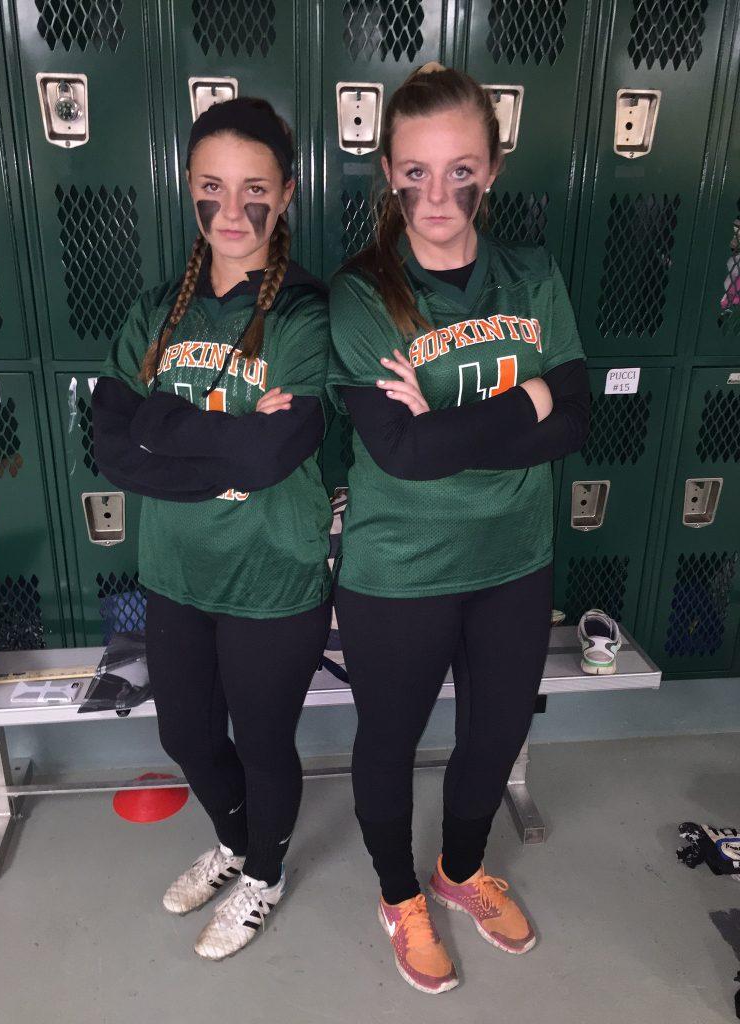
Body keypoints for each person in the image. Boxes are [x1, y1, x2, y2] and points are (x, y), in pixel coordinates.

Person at [327, 62, 590, 994]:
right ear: (389, 172)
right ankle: (401, 893)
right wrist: (531, 401)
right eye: (416, 172)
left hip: (515, 557)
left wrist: (453, 426)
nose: (438, 195)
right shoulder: (361, 295)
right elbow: (401, 453)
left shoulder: (532, 272)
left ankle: (461, 868)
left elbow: (583, 413)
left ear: (493, 169)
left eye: (462, 170)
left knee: (495, 732)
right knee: (388, 739)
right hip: (399, 568)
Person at [92, 97, 332, 961]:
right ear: (188, 191)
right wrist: (222, 443)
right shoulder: (158, 310)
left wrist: (165, 422)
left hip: (275, 572)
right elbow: (108, 446)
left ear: (288, 194)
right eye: (211, 188)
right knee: (186, 734)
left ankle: (263, 871)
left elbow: (276, 454)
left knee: (262, 739)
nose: (232, 212)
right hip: (176, 572)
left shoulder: (308, 314)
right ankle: (236, 842)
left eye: (254, 190)